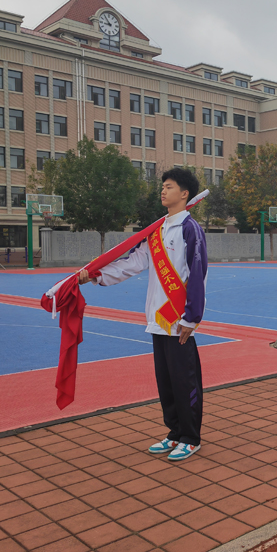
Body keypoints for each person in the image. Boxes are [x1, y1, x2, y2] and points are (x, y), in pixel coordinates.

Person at [79, 168, 208, 461]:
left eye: (169, 186)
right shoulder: (157, 230)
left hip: (179, 320)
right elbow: (133, 262)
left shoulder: (190, 229)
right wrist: (96, 275)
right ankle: (174, 433)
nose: (163, 191)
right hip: (157, 319)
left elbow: (198, 273)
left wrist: (191, 317)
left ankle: (190, 437)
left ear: (184, 193)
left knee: (185, 380)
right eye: (162, 187)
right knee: (166, 381)